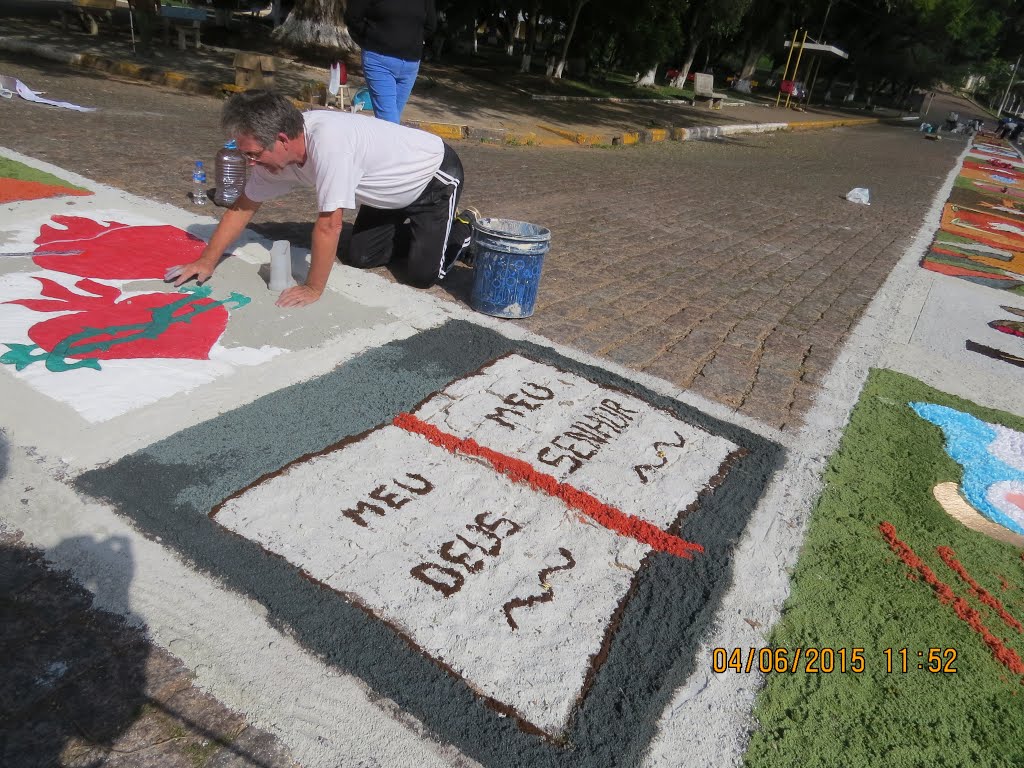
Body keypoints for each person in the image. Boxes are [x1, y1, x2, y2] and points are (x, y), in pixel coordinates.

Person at [166, 91, 476, 308]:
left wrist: (313, 288)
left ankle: (463, 230)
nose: (250, 163)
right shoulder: (272, 157)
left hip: (431, 179)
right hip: (383, 194)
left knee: (422, 276)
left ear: (283, 140)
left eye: (253, 154)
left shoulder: (329, 143)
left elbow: (329, 226)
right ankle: (423, 235)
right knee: (360, 256)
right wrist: (207, 261)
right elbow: (242, 209)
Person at [345, 0, 435, 123]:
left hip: (410, 66)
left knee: (391, 124)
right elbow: (353, 18)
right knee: (390, 123)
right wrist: (373, 39)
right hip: (379, 62)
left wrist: (411, 41)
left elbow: (430, 25)